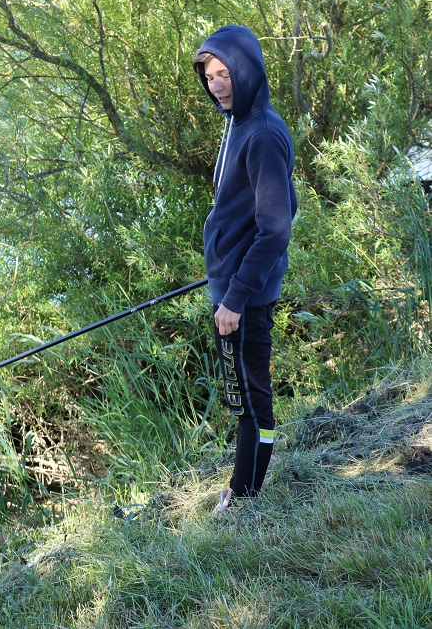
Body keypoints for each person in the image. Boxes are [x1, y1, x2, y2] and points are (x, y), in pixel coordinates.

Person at [193, 25, 297, 514]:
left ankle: (244, 496)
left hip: (245, 297)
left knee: (251, 399)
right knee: (242, 398)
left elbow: (276, 229)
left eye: (224, 74)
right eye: (209, 76)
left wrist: (235, 297)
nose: (216, 85)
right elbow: (263, 207)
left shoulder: (263, 133)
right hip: (233, 284)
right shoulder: (238, 121)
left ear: (247, 70)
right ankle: (243, 488)